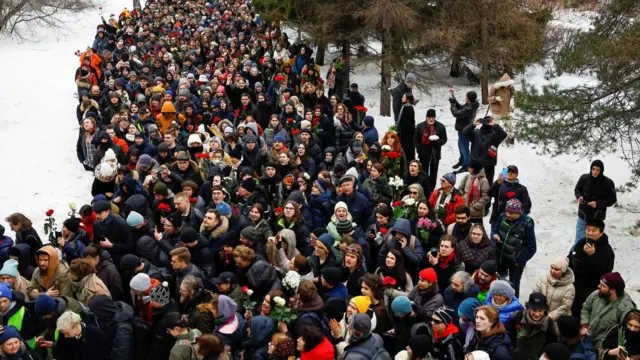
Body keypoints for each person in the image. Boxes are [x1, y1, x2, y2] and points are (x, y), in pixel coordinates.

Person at [568, 219, 614, 317]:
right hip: (575, 287)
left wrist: (593, 256)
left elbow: (605, 275)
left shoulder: (607, 251)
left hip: (591, 291)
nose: (590, 233)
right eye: (588, 230)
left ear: (601, 233)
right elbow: (570, 259)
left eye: (593, 231)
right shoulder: (581, 243)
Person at [491, 199, 536, 297]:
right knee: (497, 282)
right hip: (500, 257)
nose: (508, 214)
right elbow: (494, 229)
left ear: (518, 213)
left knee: (513, 287)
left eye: (511, 213)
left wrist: (519, 261)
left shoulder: (527, 224)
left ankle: (513, 309)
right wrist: (495, 235)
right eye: (507, 211)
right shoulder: (502, 216)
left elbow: (532, 248)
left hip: (515, 262)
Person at [580, 272, 636, 349]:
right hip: (585, 341)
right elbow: (586, 308)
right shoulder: (596, 294)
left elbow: (625, 332)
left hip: (603, 349)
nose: (598, 286)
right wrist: (584, 325)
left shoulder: (625, 309)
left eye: (603, 286)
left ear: (613, 290)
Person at [573, 160, 617, 245]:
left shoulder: (608, 183)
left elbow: (612, 200)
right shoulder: (584, 178)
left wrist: (597, 203)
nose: (595, 172)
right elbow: (577, 189)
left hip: (597, 217)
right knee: (579, 240)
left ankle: (593, 257)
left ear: (601, 170)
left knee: (593, 242)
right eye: (593, 169)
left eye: (597, 170)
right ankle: (573, 257)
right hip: (583, 215)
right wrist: (579, 196)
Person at [506, 293, 557, 360]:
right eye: (534, 310)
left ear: (545, 310)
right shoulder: (517, 317)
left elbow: (551, 346)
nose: (537, 314)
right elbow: (508, 336)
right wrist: (513, 351)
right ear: (528, 308)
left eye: (540, 311)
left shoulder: (550, 325)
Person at [87, 295, 134, 360]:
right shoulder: (110, 315)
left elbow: (121, 355)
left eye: (95, 312)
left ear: (102, 311)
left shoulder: (123, 328)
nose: (95, 315)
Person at [461, 116, 507, 183]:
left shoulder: (495, 135)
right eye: (485, 121)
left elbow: (504, 135)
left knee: (487, 186)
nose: (487, 122)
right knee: (473, 185)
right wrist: (473, 125)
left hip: (488, 165)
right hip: (475, 164)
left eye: (489, 121)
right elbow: (464, 132)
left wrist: (494, 125)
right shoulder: (476, 132)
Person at [415, 109, 447, 193]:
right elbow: (416, 139)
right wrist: (419, 149)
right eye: (429, 117)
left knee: (433, 173)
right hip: (423, 153)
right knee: (423, 171)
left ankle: (431, 190)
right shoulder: (420, 126)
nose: (431, 119)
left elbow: (444, 139)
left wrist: (437, 142)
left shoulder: (441, 127)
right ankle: (423, 188)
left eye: (432, 117)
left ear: (435, 117)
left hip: (435, 153)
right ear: (426, 117)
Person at [449, 91, 479, 173]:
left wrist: (452, 104)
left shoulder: (469, 108)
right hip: (461, 128)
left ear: (469, 99)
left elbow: (456, 113)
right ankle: (462, 161)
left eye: (467, 97)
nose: (465, 98)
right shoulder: (470, 104)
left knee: (464, 148)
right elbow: (462, 107)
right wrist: (455, 101)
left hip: (465, 130)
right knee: (460, 146)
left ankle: (467, 165)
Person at [396, 93, 416, 162]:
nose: (402, 98)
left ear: (407, 99)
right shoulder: (405, 106)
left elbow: (408, 124)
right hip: (404, 134)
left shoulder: (408, 108)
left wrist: (400, 131)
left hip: (406, 136)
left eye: (404, 97)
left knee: (406, 152)